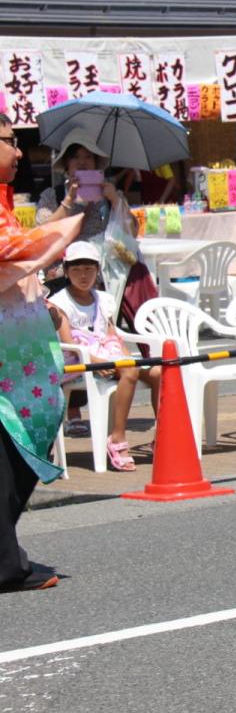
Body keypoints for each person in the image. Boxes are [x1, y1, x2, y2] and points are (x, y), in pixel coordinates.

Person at [0, 112, 82, 592]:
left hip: (19, 360)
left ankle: (7, 557)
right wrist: (65, 227)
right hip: (7, 367)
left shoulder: (4, 201)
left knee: (16, 456)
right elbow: (15, 252)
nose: (17, 152)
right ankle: (6, 564)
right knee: (8, 459)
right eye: (9, 141)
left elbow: (20, 256)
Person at [48, 241, 161, 471]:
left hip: (108, 358)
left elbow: (113, 335)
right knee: (129, 369)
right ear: (66, 271)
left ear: (97, 270)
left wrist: (125, 357)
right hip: (79, 365)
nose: (83, 275)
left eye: (89, 269)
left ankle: (161, 436)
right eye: (76, 270)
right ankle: (117, 437)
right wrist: (99, 362)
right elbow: (69, 345)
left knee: (159, 372)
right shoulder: (60, 302)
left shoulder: (103, 299)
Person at [36, 130, 158, 327]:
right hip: (63, 275)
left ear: (95, 163)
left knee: (103, 332)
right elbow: (42, 233)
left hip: (103, 277)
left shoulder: (109, 195)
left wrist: (115, 199)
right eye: (76, 157)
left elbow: (133, 231)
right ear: (66, 163)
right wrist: (70, 200)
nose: (82, 162)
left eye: (88, 157)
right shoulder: (52, 195)